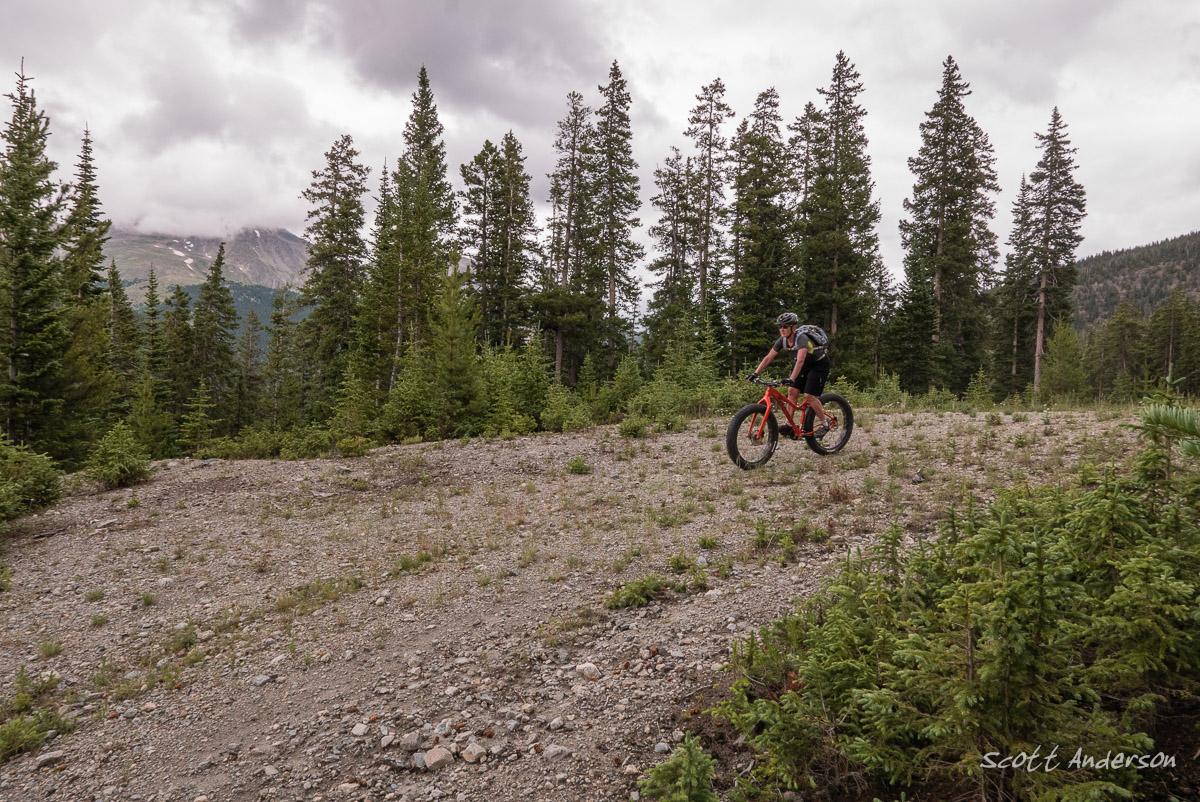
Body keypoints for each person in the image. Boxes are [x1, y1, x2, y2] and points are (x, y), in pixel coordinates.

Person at [746, 312, 835, 438]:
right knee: (792, 391)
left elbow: (800, 361)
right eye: (780, 326)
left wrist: (791, 378)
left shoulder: (802, 338)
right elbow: (768, 358)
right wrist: (755, 373)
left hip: (818, 364)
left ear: (793, 327)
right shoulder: (782, 340)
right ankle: (789, 425)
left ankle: (825, 424)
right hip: (803, 365)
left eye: (785, 326)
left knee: (809, 396)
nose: (782, 329)